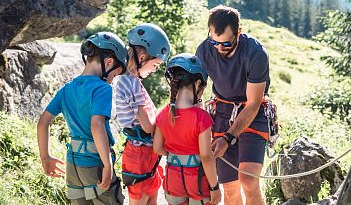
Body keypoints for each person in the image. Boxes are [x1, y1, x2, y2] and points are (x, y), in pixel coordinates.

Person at [37, 32, 128, 204]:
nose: (112, 80)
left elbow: (43, 122)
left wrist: (45, 158)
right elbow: (96, 125)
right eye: (114, 75)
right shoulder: (102, 89)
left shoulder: (66, 89)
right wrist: (107, 165)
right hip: (95, 163)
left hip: (73, 165)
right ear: (108, 62)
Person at [196, 5, 270, 205]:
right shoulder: (204, 50)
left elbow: (254, 103)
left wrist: (228, 138)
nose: (219, 48)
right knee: (229, 187)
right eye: (214, 41)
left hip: (253, 112)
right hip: (222, 112)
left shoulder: (256, 53)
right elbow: (196, 91)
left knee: (248, 179)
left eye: (226, 43)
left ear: (239, 32)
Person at [153, 53, 222, 205]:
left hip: (173, 179)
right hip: (197, 183)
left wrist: (176, 156)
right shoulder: (202, 118)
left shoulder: (163, 114)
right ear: (197, 83)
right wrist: (215, 187)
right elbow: (206, 156)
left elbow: (157, 148)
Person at [113, 23, 170, 205]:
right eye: (155, 64)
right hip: (140, 154)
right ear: (143, 57)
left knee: (150, 197)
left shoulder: (128, 80)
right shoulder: (132, 83)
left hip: (144, 152)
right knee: (141, 199)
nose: (155, 69)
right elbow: (148, 126)